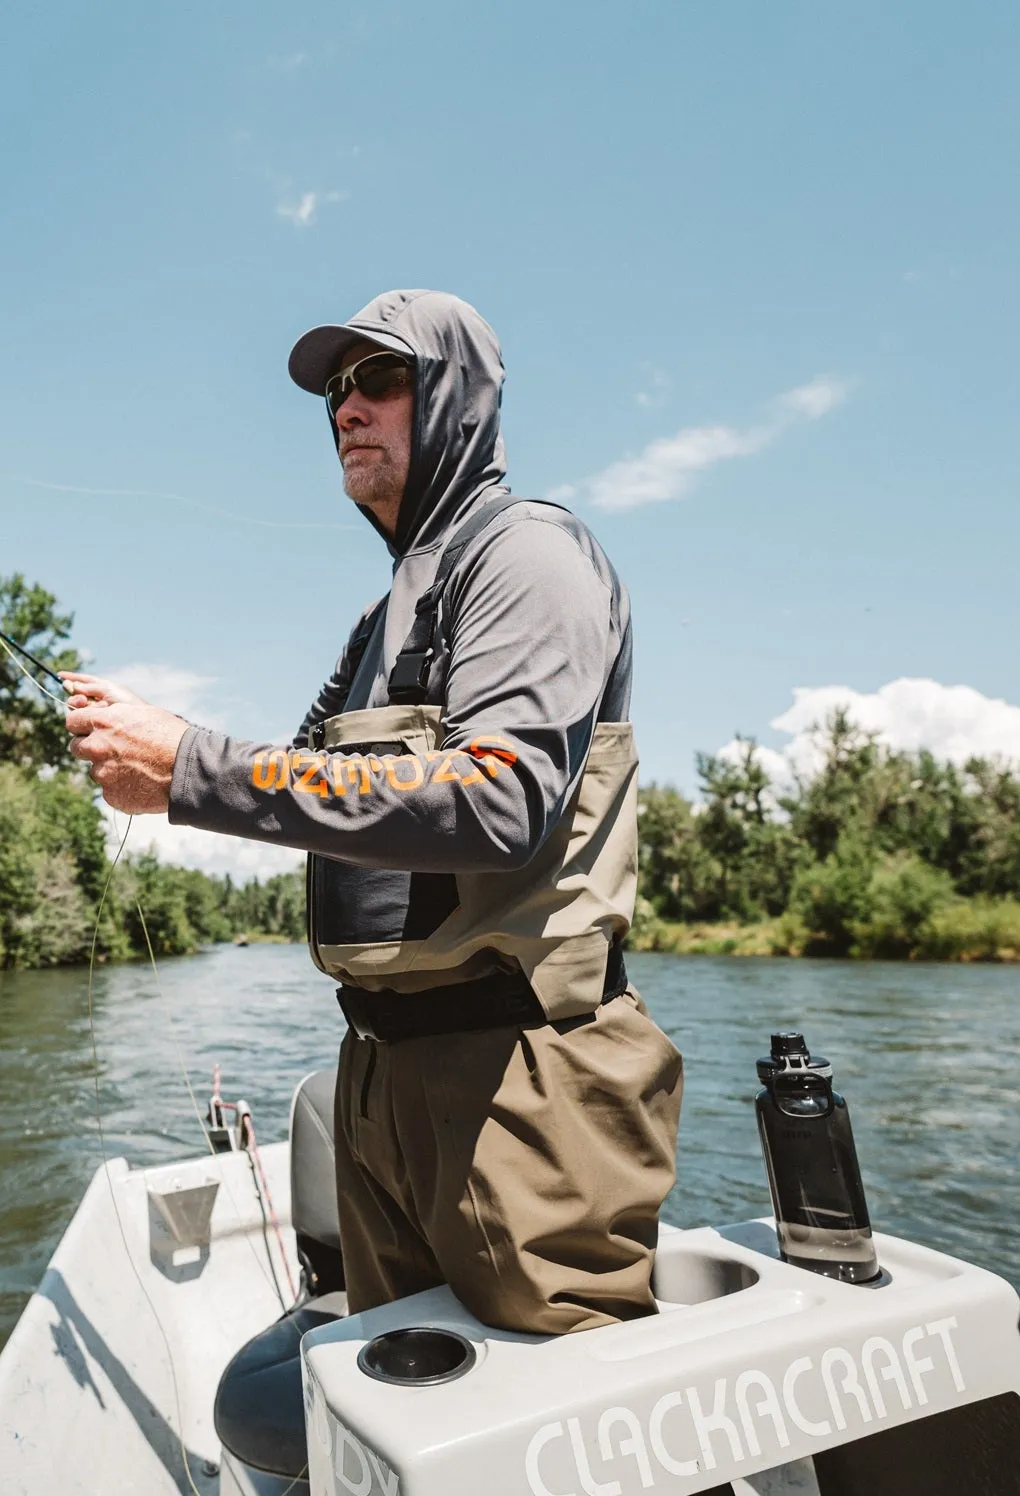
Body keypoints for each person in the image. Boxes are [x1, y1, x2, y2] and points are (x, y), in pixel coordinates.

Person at [61, 289, 683, 1336]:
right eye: (337, 392)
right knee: (408, 1410)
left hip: (521, 1082)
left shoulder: (525, 555)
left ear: (456, 399)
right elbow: (310, 792)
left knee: (571, 1438)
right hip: (378, 1076)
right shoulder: (379, 614)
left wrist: (189, 763)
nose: (348, 408)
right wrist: (159, 774)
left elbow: (495, 803)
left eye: (380, 380)